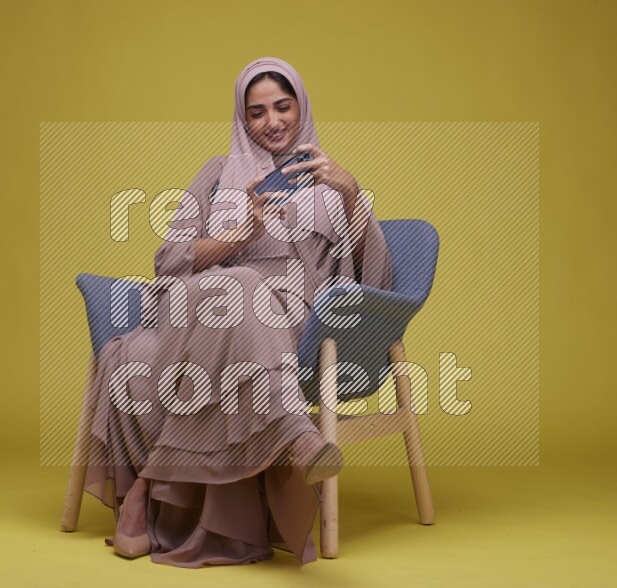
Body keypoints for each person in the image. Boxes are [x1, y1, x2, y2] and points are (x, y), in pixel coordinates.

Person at [82, 56, 393, 567]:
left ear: (301, 107)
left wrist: (352, 193)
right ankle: (295, 432)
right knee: (226, 291)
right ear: (242, 118)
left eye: (283, 107)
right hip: (201, 311)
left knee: (176, 334)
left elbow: (373, 281)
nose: (272, 122)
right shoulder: (217, 174)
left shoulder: (334, 184)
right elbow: (168, 261)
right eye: (257, 112)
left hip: (291, 323)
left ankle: (144, 488)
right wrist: (236, 236)